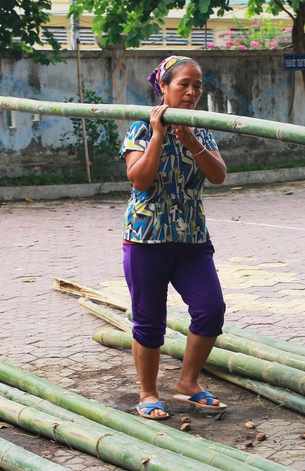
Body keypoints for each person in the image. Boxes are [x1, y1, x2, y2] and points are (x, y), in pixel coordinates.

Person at [119, 55, 228, 420]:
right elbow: (140, 180)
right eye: (184, 84)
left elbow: (218, 175)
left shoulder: (201, 127)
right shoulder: (140, 127)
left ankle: (187, 383)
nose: (192, 92)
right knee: (149, 320)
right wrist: (160, 135)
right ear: (163, 87)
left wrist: (192, 140)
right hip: (147, 238)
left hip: (192, 238)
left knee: (211, 310)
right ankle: (148, 392)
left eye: (197, 86)